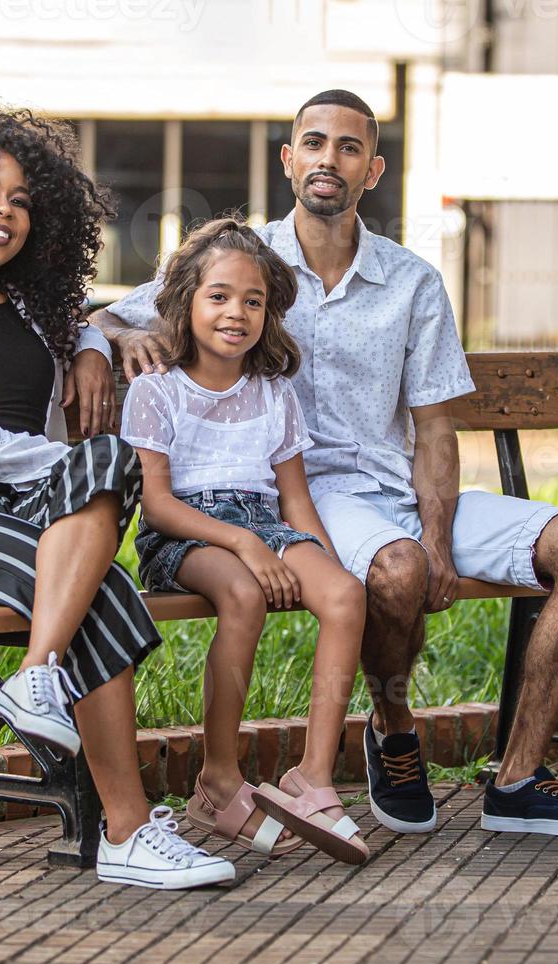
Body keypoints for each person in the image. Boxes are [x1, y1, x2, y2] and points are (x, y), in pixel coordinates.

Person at [91, 90, 558, 839]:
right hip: (313, 497)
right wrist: (111, 342)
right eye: (313, 143)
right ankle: (394, 727)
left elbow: (436, 428)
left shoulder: (412, 282)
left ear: (371, 170)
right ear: (289, 160)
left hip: (403, 490)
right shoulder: (242, 265)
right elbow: (111, 312)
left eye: (348, 148)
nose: (328, 160)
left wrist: (440, 534)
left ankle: (518, 779)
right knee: (398, 570)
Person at [0, 95, 235, 888]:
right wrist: (45, 462)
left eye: (20, 201)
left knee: (106, 461)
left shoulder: (32, 308)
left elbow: (93, 326)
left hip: (22, 522)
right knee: (108, 591)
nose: (3, 213)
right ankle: (125, 833)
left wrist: (93, 345)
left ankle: (38, 675)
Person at [121, 217, 369, 865]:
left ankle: (314, 778)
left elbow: (294, 501)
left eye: (253, 301)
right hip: (187, 535)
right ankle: (218, 777)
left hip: (267, 523)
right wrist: (245, 547)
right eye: (220, 296)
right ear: (185, 302)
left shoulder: (272, 393)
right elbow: (158, 503)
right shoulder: (156, 390)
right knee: (242, 593)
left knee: (345, 596)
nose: (237, 313)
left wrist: (325, 568)